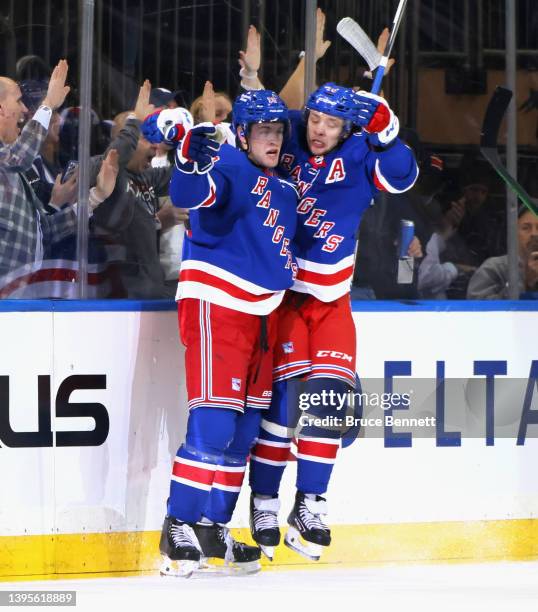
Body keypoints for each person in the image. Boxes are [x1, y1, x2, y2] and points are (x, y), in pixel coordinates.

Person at [246, 83, 418, 561]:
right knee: (283, 410)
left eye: (333, 124)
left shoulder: (364, 151)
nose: (320, 130)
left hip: (332, 301)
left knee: (329, 403)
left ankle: (310, 505)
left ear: (349, 129)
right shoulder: (291, 138)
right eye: (317, 119)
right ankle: (264, 502)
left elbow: (404, 176)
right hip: (285, 300)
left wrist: (387, 131)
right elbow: (257, 131)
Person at [142, 90, 298, 576]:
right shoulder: (226, 163)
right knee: (214, 423)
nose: (273, 139)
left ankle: (212, 527)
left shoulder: (285, 187)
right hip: (218, 304)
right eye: (264, 131)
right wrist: (187, 156)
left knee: (243, 432)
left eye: (278, 131)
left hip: (264, 314)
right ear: (246, 133)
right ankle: (177, 525)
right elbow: (189, 194)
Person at [467, 206, 538, 299]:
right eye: (526, 228)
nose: (534, 234)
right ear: (513, 233)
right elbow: (476, 308)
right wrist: (525, 283)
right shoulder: (494, 268)